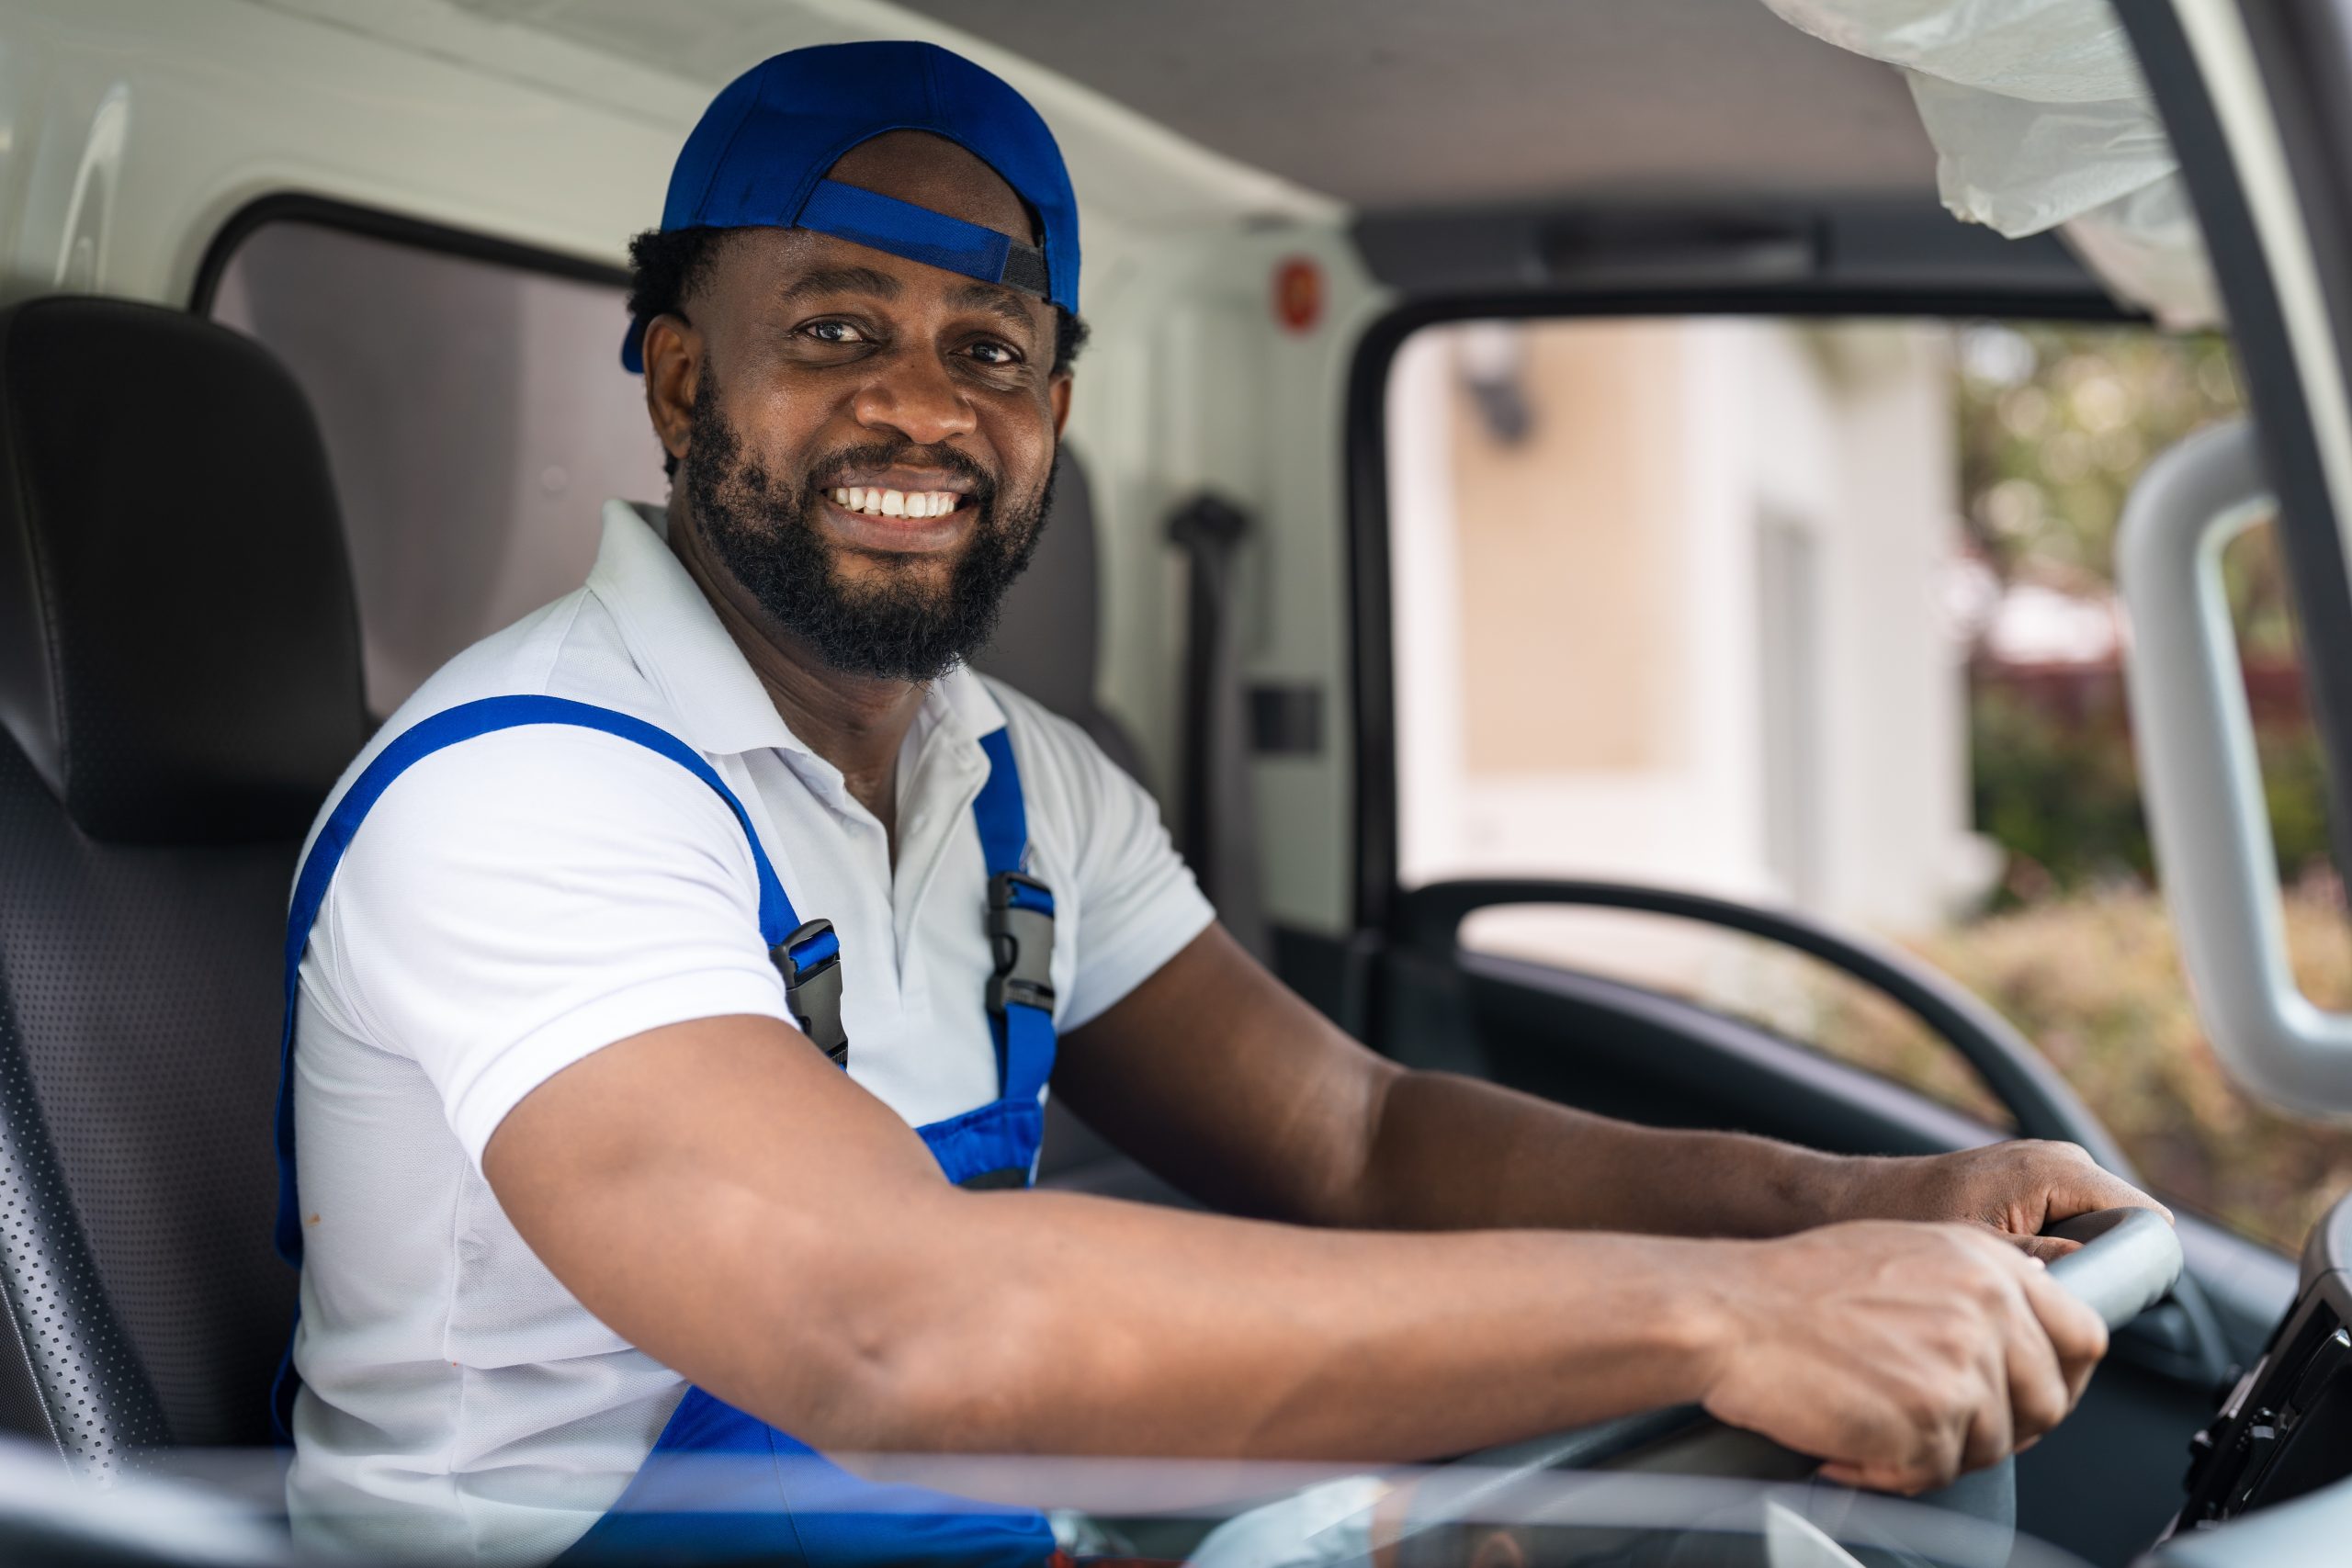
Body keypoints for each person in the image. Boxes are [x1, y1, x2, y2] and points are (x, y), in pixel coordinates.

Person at [276, 38, 2158, 1568]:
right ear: (683, 377)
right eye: (836, 331)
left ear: (1051, 415)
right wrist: (1721, 1315)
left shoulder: (1021, 783)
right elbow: (885, 1326)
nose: (923, 408)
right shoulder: (526, 792)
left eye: (990, 349)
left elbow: (1351, 1139)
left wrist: (1851, 1206)